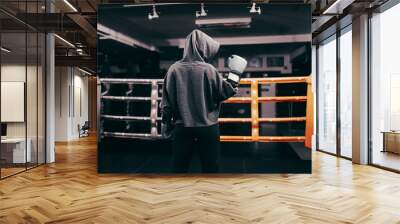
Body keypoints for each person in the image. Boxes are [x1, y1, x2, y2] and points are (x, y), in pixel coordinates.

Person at [161, 29, 247, 173]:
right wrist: (235, 73)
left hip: (182, 126)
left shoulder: (174, 69)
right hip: (208, 127)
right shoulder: (209, 69)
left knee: (179, 167)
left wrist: (166, 122)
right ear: (203, 48)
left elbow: (166, 101)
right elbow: (226, 91)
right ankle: (211, 194)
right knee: (211, 167)